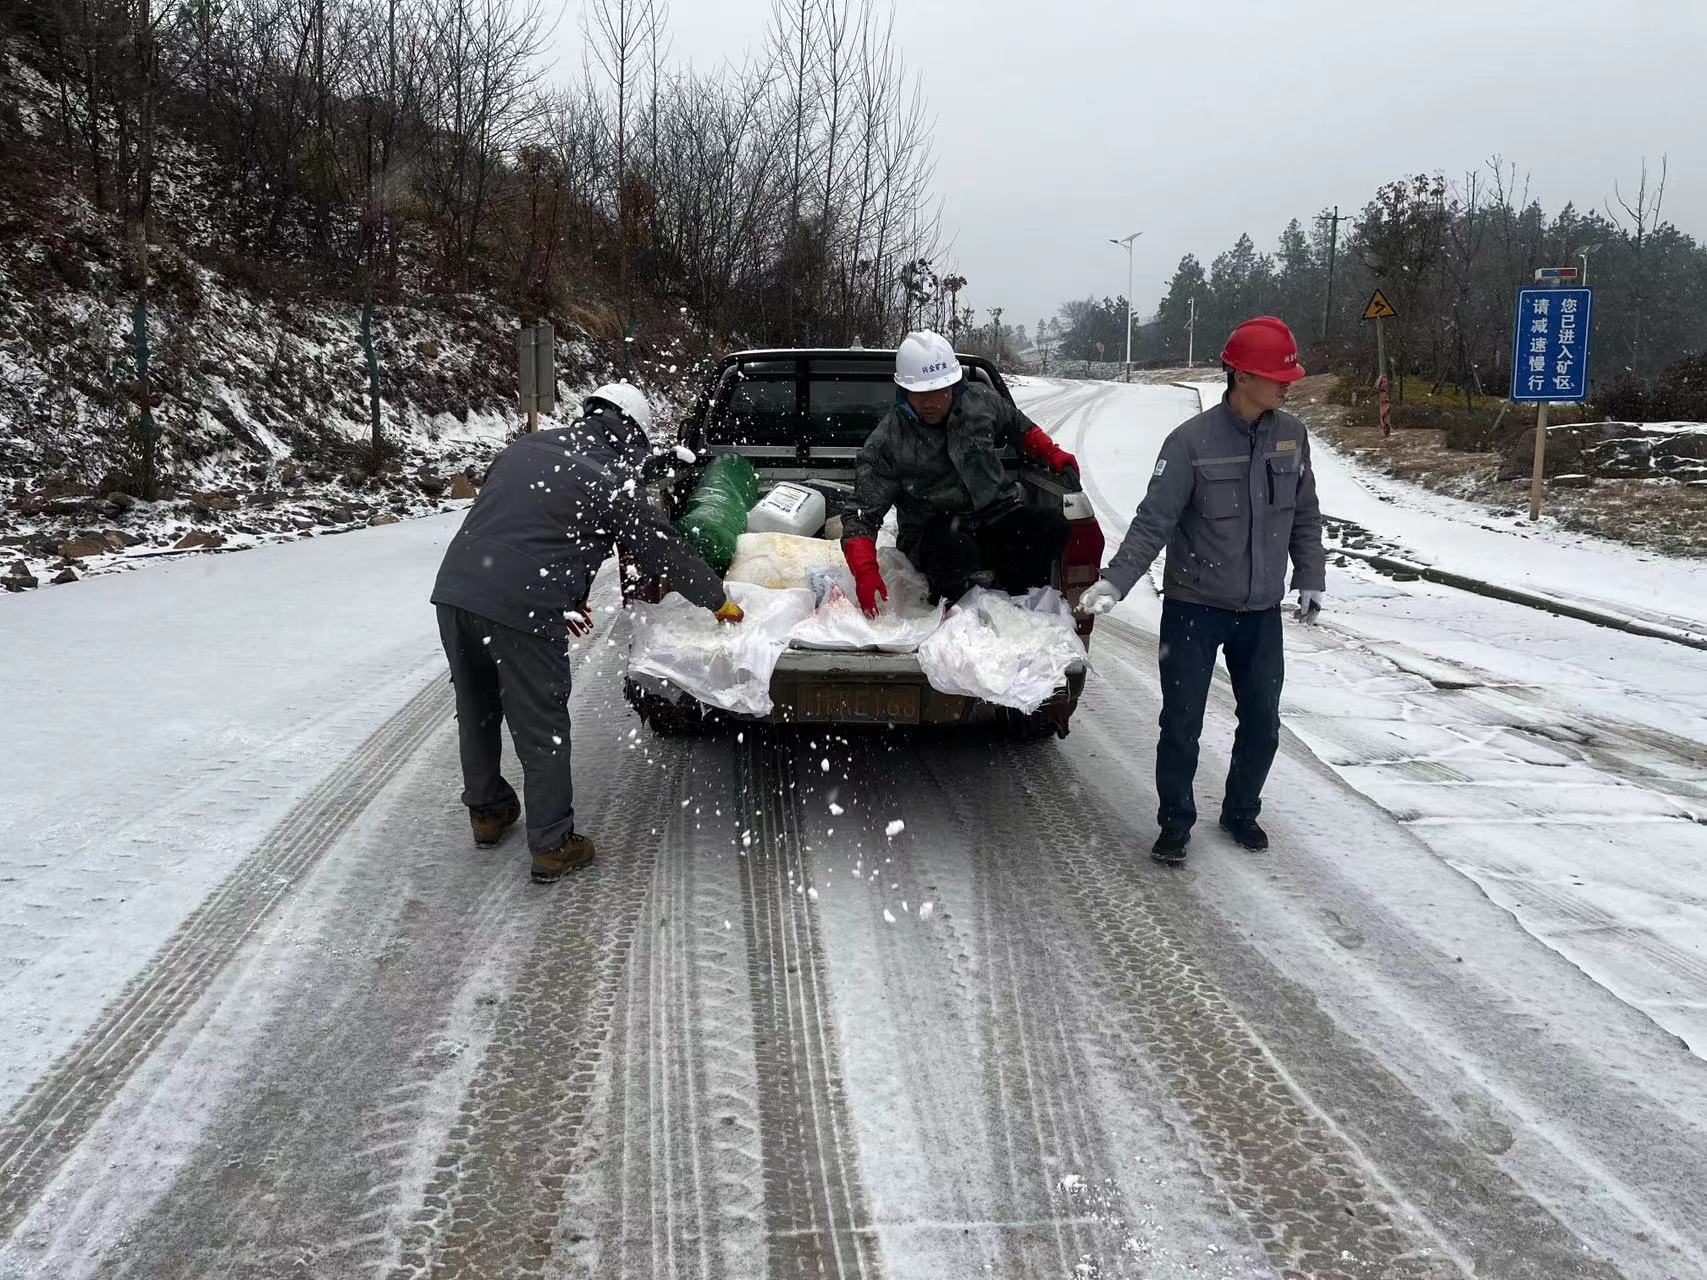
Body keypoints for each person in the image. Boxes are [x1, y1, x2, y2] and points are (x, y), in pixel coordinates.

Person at [431, 383, 741, 884]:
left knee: (477, 708)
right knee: (541, 727)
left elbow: (529, 523)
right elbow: (663, 550)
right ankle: (553, 844)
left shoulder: (527, 447)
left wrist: (568, 597)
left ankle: (487, 811)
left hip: (457, 591)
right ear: (633, 434)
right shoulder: (611, 477)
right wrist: (717, 598)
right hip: (523, 605)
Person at [1078, 316, 1326, 865]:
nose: (1288, 386)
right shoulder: (1190, 443)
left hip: (1261, 613)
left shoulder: (1292, 435)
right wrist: (1117, 580)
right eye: (1278, 376)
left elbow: (1305, 513)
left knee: (1262, 722)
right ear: (1242, 376)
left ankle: (1241, 811)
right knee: (1181, 722)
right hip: (1194, 607)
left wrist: (1310, 574)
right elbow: (1153, 521)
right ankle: (1175, 823)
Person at [841, 330, 1080, 616]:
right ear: (904, 390)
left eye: (938, 391)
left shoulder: (982, 403)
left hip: (995, 514)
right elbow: (862, 514)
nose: (929, 402)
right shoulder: (889, 439)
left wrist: (1052, 453)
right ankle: (955, 614)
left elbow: (1018, 426)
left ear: (954, 384)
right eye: (920, 393)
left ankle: (1016, 601)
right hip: (932, 529)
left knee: (1051, 526)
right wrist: (865, 570)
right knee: (956, 552)